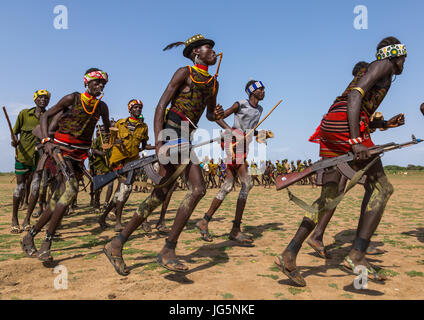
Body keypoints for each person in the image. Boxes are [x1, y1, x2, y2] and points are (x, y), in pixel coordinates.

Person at [275, 37, 406, 286]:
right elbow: (355, 96)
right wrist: (356, 139)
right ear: (396, 55)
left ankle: (289, 253)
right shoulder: (383, 65)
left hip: (332, 125)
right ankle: (357, 255)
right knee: (382, 188)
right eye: (403, 58)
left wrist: (384, 124)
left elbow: (358, 105)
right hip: (346, 127)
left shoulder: (377, 69)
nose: (403, 64)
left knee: (328, 197)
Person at [102, 34, 224, 275]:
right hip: (171, 131)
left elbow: (210, 114)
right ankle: (167, 249)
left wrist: (225, 116)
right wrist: (159, 142)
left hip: (187, 136)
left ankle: (117, 244)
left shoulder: (213, 83)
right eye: (208, 47)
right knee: (197, 189)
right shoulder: (184, 73)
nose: (213, 51)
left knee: (160, 196)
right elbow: (161, 106)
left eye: (212, 48)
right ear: (195, 52)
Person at [21, 68, 111, 262]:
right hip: (60, 151)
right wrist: (46, 141)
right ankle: (47, 242)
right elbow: (45, 117)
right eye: (97, 82)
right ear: (86, 83)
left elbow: (105, 129)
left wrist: (108, 142)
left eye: (103, 83)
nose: (101, 85)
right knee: (70, 190)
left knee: (58, 199)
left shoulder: (102, 107)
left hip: (79, 156)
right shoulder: (72, 98)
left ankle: (30, 235)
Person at [196, 80, 272, 244]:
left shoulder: (260, 110)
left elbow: (249, 130)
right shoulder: (240, 104)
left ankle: (204, 221)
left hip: (243, 145)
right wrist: (232, 131)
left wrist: (261, 135)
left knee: (228, 186)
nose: (264, 91)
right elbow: (218, 117)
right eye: (261, 89)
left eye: (264, 89)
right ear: (252, 92)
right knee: (247, 183)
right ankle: (235, 229)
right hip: (233, 143)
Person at [98, 99, 153, 232]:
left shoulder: (143, 127)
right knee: (125, 189)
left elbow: (145, 146)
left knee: (121, 192)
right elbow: (110, 141)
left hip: (133, 161)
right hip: (119, 160)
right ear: (130, 109)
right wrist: (116, 141)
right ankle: (118, 222)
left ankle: (103, 217)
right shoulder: (120, 123)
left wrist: (161, 146)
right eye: (135, 107)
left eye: (140, 107)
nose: (138, 109)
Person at [11, 90, 51, 233]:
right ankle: (14, 220)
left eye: (46, 98)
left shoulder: (48, 117)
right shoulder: (24, 114)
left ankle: (27, 219)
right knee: (20, 187)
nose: (43, 100)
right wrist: (14, 141)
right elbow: (15, 132)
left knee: (35, 187)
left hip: (39, 159)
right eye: (40, 98)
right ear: (35, 100)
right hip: (22, 156)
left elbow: (50, 136)